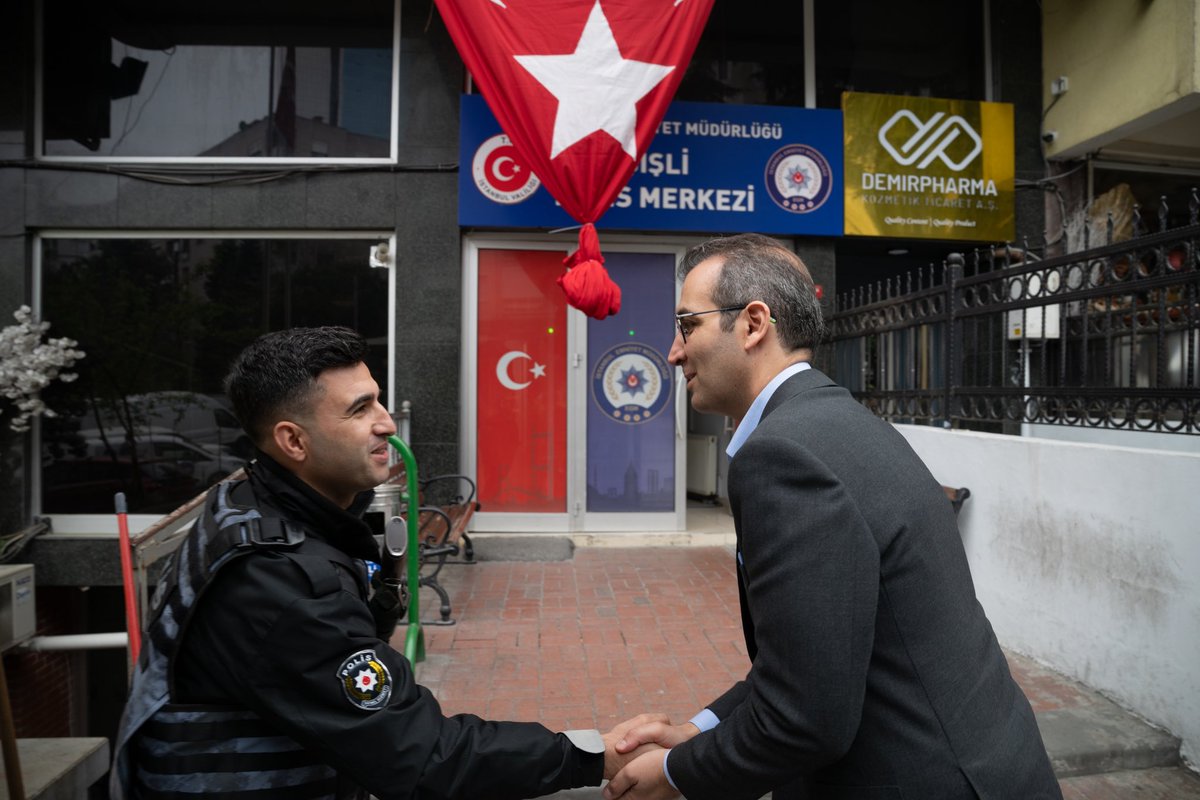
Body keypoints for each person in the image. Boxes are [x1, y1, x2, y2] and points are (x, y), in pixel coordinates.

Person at [110, 326, 660, 800]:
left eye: (378, 400)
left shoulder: (254, 505)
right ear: (292, 441)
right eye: (359, 410)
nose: (387, 424)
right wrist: (593, 754)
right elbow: (420, 757)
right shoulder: (276, 580)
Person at [605, 234, 1062, 800]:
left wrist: (678, 773)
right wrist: (697, 729)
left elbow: (803, 716)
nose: (673, 352)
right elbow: (813, 659)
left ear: (752, 324)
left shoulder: (783, 455)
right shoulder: (835, 421)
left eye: (687, 324)